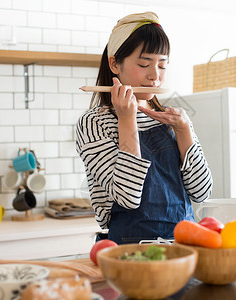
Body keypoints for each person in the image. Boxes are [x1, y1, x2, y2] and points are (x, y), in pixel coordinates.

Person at [76, 12, 212, 244]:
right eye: (144, 64)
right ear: (114, 64)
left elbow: (202, 192)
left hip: (184, 246)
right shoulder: (94, 123)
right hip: (128, 251)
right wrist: (126, 119)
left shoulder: (173, 119)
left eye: (162, 65)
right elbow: (127, 197)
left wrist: (184, 131)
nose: (154, 76)